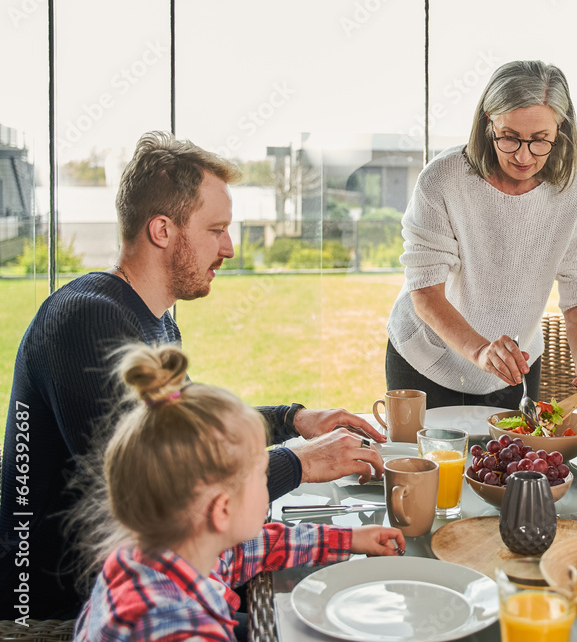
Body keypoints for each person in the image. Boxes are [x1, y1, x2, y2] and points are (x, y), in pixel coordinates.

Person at [0, 132, 386, 619]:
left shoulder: (154, 318)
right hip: (78, 605)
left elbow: (185, 433)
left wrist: (296, 418)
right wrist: (300, 463)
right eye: (216, 229)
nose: (228, 247)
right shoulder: (87, 322)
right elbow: (174, 496)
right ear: (162, 229)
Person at [73, 343, 404, 640]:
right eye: (262, 473)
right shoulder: (183, 631)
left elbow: (251, 549)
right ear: (221, 510)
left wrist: (348, 539)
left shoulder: (164, 551)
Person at [385, 59, 577, 409]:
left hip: (514, 367)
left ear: (561, 130)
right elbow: (426, 291)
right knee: (429, 464)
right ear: (487, 122)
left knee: (511, 464)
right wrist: (480, 350)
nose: (523, 156)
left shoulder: (572, 196)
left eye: (541, 140)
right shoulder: (443, 180)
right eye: (509, 137)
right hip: (425, 362)